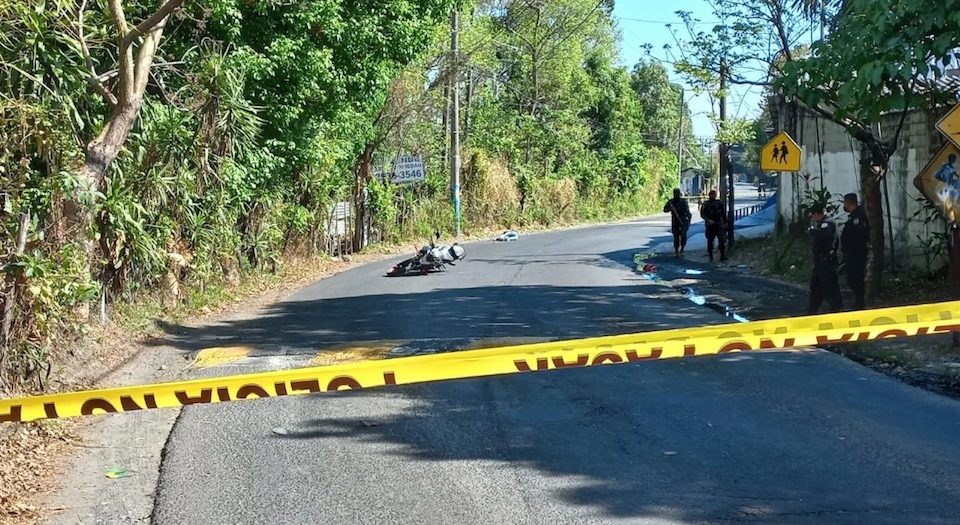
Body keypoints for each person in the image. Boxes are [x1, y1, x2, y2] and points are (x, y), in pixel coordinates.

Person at [807, 204, 843, 314]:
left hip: (827, 261)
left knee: (829, 287)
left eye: (813, 216)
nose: (813, 219)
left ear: (816, 214)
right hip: (820, 261)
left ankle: (837, 309)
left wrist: (811, 230)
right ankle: (813, 310)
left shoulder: (828, 223)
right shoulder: (822, 223)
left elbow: (822, 234)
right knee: (816, 286)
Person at [840, 193, 869, 310]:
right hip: (851, 253)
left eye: (845, 203)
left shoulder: (859, 216)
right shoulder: (853, 216)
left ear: (848, 203)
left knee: (857, 278)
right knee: (852, 278)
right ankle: (858, 301)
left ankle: (859, 303)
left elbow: (859, 235)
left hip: (857, 254)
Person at [663, 188, 692, 257]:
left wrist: (689, 221)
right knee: (676, 236)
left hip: (683, 220)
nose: (676, 194)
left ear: (679, 193)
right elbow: (665, 209)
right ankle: (676, 249)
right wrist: (670, 208)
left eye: (677, 193)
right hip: (675, 220)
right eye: (675, 193)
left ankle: (682, 248)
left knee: (683, 235)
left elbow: (688, 212)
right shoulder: (671, 202)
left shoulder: (683, 201)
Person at [700, 190, 727, 262]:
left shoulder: (719, 203)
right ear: (709, 195)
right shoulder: (706, 204)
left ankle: (722, 256)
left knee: (722, 240)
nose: (713, 196)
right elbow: (702, 214)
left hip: (718, 223)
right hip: (710, 224)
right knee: (710, 241)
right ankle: (710, 256)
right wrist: (708, 220)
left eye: (714, 194)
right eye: (711, 194)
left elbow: (723, 213)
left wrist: (725, 223)